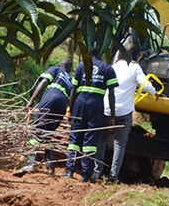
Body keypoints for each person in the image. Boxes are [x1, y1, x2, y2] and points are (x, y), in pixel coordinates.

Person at [97, 50, 157, 182]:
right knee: (119, 143)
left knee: (101, 139)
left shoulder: (111, 68)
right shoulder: (134, 67)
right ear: (131, 57)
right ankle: (113, 176)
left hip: (107, 109)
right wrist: (155, 92)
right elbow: (145, 85)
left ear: (117, 56)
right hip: (123, 112)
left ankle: (97, 171)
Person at [63, 51, 119, 182]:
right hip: (96, 105)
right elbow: (111, 94)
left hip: (80, 103)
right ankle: (85, 174)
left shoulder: (81, 66)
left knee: (75, 137)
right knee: (91, 140)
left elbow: (73, 89)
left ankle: (69, 170)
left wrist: (70, 110)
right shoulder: (107, 68)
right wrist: (112, 115)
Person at [14, 59, 73, 177]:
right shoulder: (70, 80)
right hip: (62, 105)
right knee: (47, 134)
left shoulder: (55, 69)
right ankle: (51, 167)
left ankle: (30, 163)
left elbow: (44, 82)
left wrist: (32, 100)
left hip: (51, 98)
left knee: (36, 130)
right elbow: (72, 97)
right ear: (70, 69)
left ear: (60, 65)